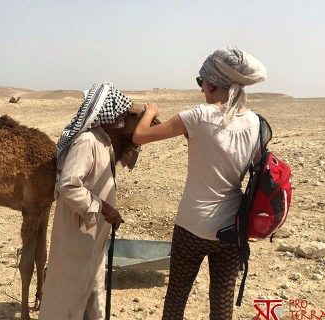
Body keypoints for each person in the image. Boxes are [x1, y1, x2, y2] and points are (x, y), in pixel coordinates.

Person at [133, 47, 267, 320]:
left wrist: (150, 111)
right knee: (221, 305)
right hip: (231, 230)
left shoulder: (197, 116)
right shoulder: (258, 125)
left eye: (201, 82)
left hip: (191, 227)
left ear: (211, 84)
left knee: (176, 299)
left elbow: (139, 136)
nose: (201, 90)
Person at [39, 82, 130, 320]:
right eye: (118, 109)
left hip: (93, 230)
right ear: (105, 112)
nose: (122, 114)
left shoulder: (105, 140)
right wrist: (103, 208)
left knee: (92, 283)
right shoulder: (87, 141)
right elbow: (68, 185)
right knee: (69, 290)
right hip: (78, 228)